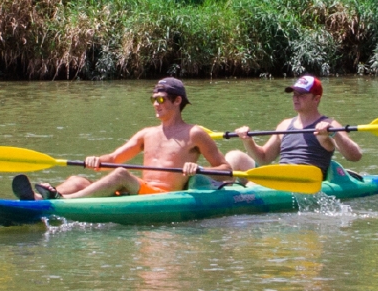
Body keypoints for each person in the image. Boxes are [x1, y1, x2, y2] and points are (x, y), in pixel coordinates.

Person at [12, 77, 232, 200]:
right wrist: (97, 160)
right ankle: (38, 199)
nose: (156, 104)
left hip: (164, 197)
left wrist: (199, 169)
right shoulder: (146, 134)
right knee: (78, 180)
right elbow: (114, 158)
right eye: (153, 100)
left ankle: (63, 202)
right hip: (139, 192)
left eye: (161, 99)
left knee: (121, 174)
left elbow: (226, 169)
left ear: (177, 101)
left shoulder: (195, 133)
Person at [224, 75, 362, 176]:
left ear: (316, 98)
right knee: (235, 156)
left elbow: (355, 156)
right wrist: (248, 141)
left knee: (255, 182)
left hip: (304, 180)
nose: (296, 98)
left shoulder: (329, 124)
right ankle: (221, 186)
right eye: (294, 94)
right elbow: (264, 159)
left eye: (301, 95)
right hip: (281, 175)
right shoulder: (284, 125)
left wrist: (334, 134)